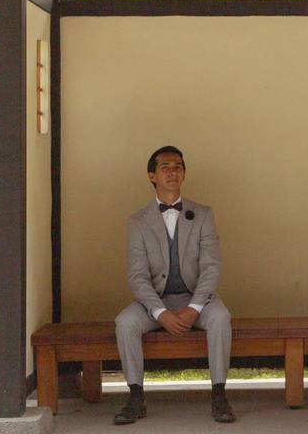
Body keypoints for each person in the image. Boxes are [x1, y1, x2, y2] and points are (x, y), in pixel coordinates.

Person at [113, 146, 236, 425]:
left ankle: (219, 394)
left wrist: (195, 307)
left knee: (221, 317)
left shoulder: (203, 214)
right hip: (155, 301)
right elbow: (137, 275)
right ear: (152, 175)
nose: (172, 171)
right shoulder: (137, 221)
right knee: (125, 322)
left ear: (184, 173)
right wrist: (160, 313)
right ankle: (135, 396)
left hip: (196, 298)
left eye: (178, 166)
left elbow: (211, 266)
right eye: (165, 166)